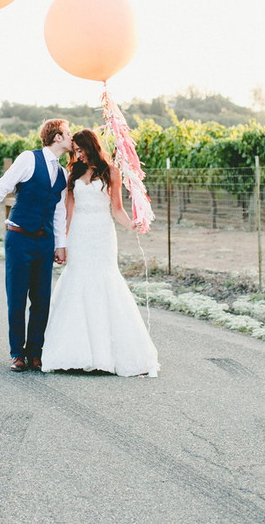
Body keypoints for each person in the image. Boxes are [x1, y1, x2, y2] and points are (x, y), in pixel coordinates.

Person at [41, 128, 159, 377]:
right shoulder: (73, 174)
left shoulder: (111, 173)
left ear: (91, 147)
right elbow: (68, 211)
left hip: (102, 235)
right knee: (77, 281)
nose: (79, 155)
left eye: (81, 150)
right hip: (79, 235)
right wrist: (61, 242)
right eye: (76, 151)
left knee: (105, 281)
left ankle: (108, 354)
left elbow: (117, 209)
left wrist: (132, 225)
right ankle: (73, 352)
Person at [0, 118, 72, 372]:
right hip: (19, 237)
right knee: (17, 298)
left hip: (45, 241)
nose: (72, 137)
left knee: (42, 299)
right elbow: (1, 188)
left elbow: (58, 212)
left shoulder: (63, 173)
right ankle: (17, 353)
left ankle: (35, 352)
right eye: (68, 132)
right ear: (57, 137)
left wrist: (60, 244)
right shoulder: (28, 159)